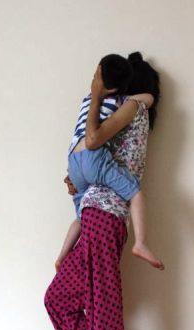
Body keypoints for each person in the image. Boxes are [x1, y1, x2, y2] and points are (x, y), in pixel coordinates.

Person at [45, 51, 161, 330]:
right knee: (61, 301)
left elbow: (93, 139)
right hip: (98, 214)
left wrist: (97, 94)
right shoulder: (132, 113)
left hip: (103, 215)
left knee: (100, 310)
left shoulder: (132, 106)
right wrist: (77, 178)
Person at [62, 55, 165, 270]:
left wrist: (96, 92)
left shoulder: (88, 100)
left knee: (80, 216)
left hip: (73, 160)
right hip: (96, 173)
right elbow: (93, 141)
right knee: (135, 191)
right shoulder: (126, 103)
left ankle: (61, 256)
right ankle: (141, 243)